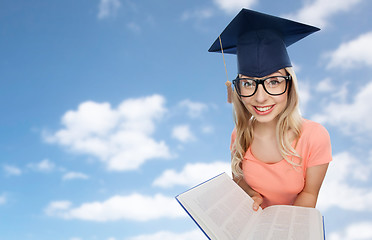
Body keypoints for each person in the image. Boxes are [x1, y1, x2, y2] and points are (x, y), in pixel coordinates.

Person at [209, 9, 332, 210]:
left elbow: (309, 194)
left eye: (274, 82)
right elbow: (240, 181)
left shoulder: (314, 136)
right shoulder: (239, 135)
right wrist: (249, 194)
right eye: (248, 84)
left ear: (290, 84)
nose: (260, 97)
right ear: (238, 88)